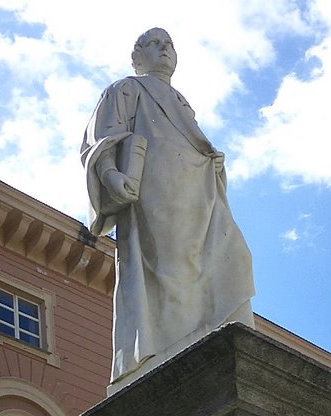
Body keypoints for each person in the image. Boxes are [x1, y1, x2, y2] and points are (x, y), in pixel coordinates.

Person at [81, 28, 255, 393]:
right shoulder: (125, 89)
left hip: (198, 189)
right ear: (137, 55)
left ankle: (211, 331)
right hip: (154, 190)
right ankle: (170, 344)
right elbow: (102, 138)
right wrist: (111, 175)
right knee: (168, 265)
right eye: (155, 44)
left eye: (170, 45)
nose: (164, 50)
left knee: (231, 255)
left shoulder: (182, 100)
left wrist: (212, 163)